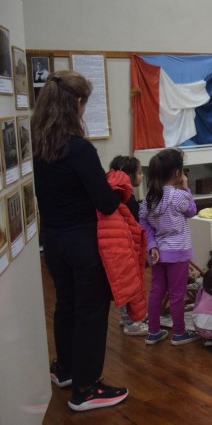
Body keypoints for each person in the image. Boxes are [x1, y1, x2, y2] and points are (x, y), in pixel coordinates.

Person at [32, 70, 128, 411]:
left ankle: (68, 369)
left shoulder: (39, 145)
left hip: (53, 242)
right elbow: (104, 201)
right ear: (75, 103)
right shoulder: (78, 149)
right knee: (90, 312)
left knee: (66, 305)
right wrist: (119, 188)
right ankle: (86, 389)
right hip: (83, 244)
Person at [140, 148, 200, 346]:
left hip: (157, 253)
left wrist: (152, 245)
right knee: (177, 294)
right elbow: (192, 211)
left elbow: (144, 221)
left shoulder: (149, 196)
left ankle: (153, 331)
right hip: (178, 252)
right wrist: (186, 188)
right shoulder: (178, 196)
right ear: (177, 173)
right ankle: (179, 333)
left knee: (157, 291)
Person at [109, 155, 148, 336]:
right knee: (130, 285)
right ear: (129, 176)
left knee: (127, 285)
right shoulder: (126, 200)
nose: (142, 176)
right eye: (139, 173)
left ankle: (126, 317)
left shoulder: (115, 196)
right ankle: (131, 322)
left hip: (122, 248)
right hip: (127, 248)